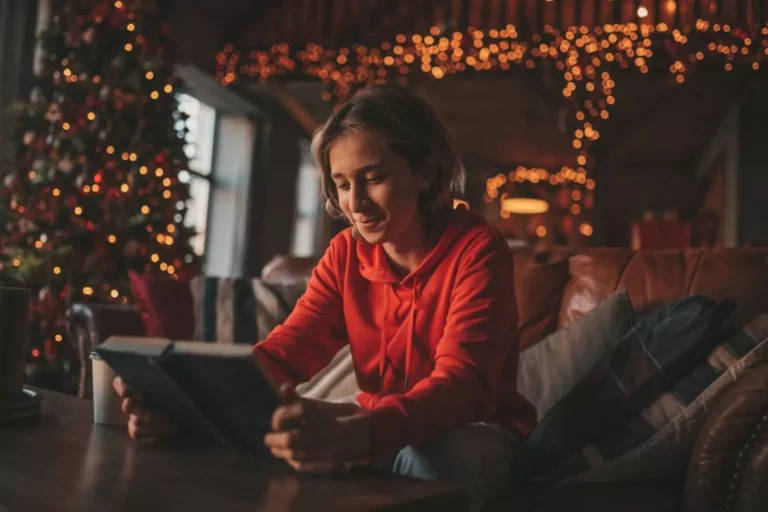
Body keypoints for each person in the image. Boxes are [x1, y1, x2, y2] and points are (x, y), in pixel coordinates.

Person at [113, 84, 536, 510]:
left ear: (424, 171)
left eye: (374, 178)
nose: (356, 204)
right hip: (375, 421)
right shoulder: (346, 253)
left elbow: (462, 386)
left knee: (429, 457)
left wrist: (360, 433)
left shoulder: (478, 248)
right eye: (342, 184)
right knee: (270, 431)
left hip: (475, 428)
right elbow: (287, 351)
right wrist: (187, 398)